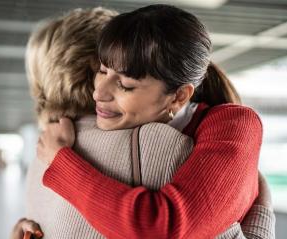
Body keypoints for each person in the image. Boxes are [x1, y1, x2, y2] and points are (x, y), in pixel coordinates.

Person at [35, 4, 275, 239]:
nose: (99, 93)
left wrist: (60, 160)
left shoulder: (233, 125)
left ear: (179, 96)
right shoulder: (105, 126)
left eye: (125, 85)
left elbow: (161, 229)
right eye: (102, 71)